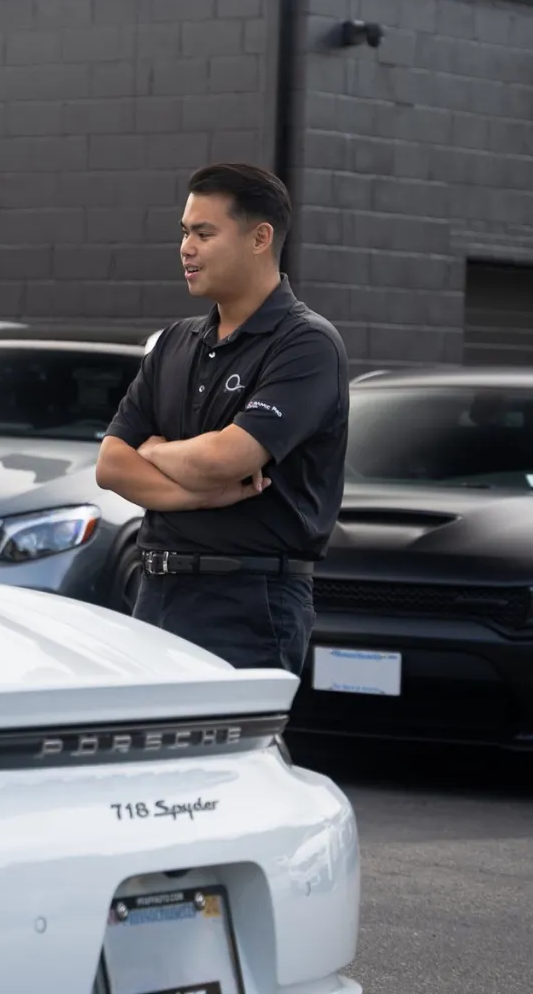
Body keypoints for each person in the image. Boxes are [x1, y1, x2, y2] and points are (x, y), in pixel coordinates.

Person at [95, 162, 350, 673]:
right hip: (156, 592)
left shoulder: (305, 344)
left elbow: (227, 458)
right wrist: (201, 494)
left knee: (226, 752)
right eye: (185, 232)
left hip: (249, 602)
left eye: (204, 233)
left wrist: (156, 453)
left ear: (260, 238)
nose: (186, 248)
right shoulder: (174, 342)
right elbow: (111, 466)